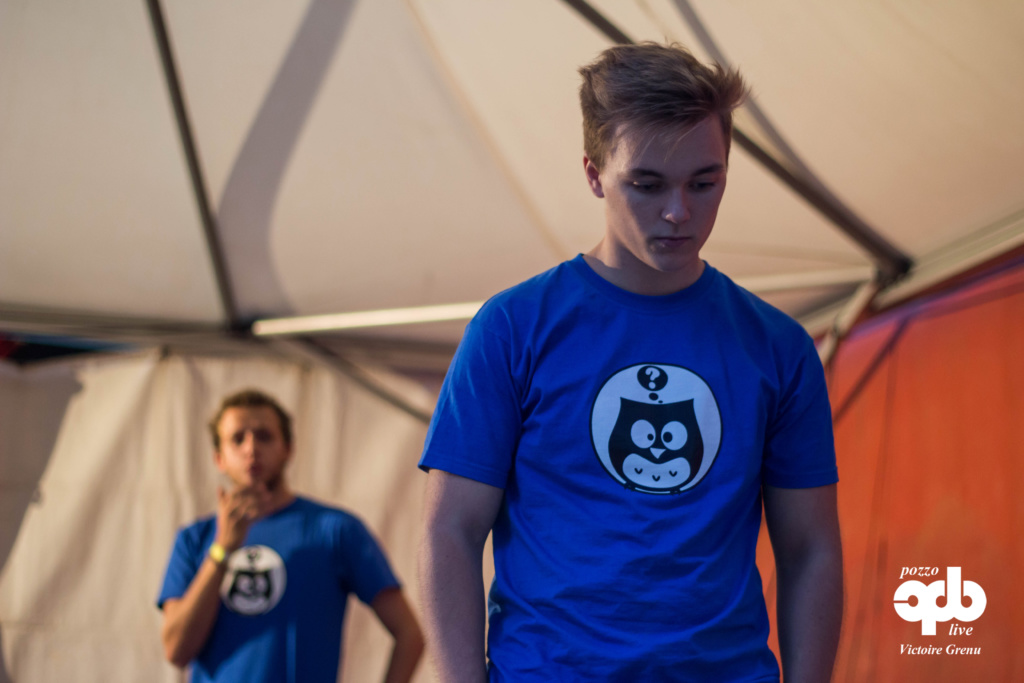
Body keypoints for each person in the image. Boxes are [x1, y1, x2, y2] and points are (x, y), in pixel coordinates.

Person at [418, 42, 842, 682]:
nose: (679, 211)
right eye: (647, 184)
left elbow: (810, 549)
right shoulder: (512, 329)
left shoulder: (778, 347)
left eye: (705, 182)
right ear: (593, 174)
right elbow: (449, 531)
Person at [158, 389, 423, 683]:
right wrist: (222, 550)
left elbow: (409, 634)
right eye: (238, 439)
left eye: (264, 436)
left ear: (288, 448)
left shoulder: (335, 530)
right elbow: (176, 650)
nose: (251, 448)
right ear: (219, 458)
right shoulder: (194, 539)